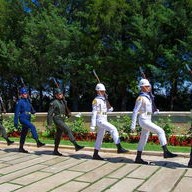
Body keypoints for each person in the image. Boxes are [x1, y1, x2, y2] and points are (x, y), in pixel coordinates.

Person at [131, 79, 178, 164]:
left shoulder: (148, 97)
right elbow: (135, 111)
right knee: (160, 131)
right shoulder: (140, 98)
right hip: (143, 120)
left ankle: (138, 158)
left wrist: (154, 112)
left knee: (143, 139)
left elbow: (148, 110)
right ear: (142, 87)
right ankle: (166, 152)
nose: (149, 87)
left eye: (149, 86)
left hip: (147, 119)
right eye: (147, 86)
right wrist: (133, 125)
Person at [90, 83, 128, 160]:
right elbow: (94, 112)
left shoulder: (103, 100)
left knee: (99, 138)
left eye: (104, 91)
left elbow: (108, 110)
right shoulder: (96, 100)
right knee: (113, 129)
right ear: (98, 91)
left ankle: (95, 154)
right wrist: (92, 125)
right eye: (102, 91)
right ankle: (119, 148)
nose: (104, 92)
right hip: (100, 120)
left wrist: (109, 107)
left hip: (104, 119)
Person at [47, 88, 84, 156]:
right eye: (59, 94)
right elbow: (49, 114)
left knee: (58, 135)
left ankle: (55, 150)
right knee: (67, 130)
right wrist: (49, 124)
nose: (61, 95)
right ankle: (76, 145)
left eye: (61, 94)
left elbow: (65, 111)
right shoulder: (54, 103)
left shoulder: (63, 102)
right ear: (56, 95)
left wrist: (68, 113)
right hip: (57, 119)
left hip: (62, 119)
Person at [14, 87, 45, 153]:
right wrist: (15, 122)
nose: (25, 94)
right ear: (21, 94)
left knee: (24, 134)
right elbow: (16, 113)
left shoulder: (28, 101)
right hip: (22, 118)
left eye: (26, 93)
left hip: (28, 118)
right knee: (32, 126)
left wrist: (33, 111)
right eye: (24, 94)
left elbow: (31, 110)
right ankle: (38, 142)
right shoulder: (19, 102)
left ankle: (21, 148)